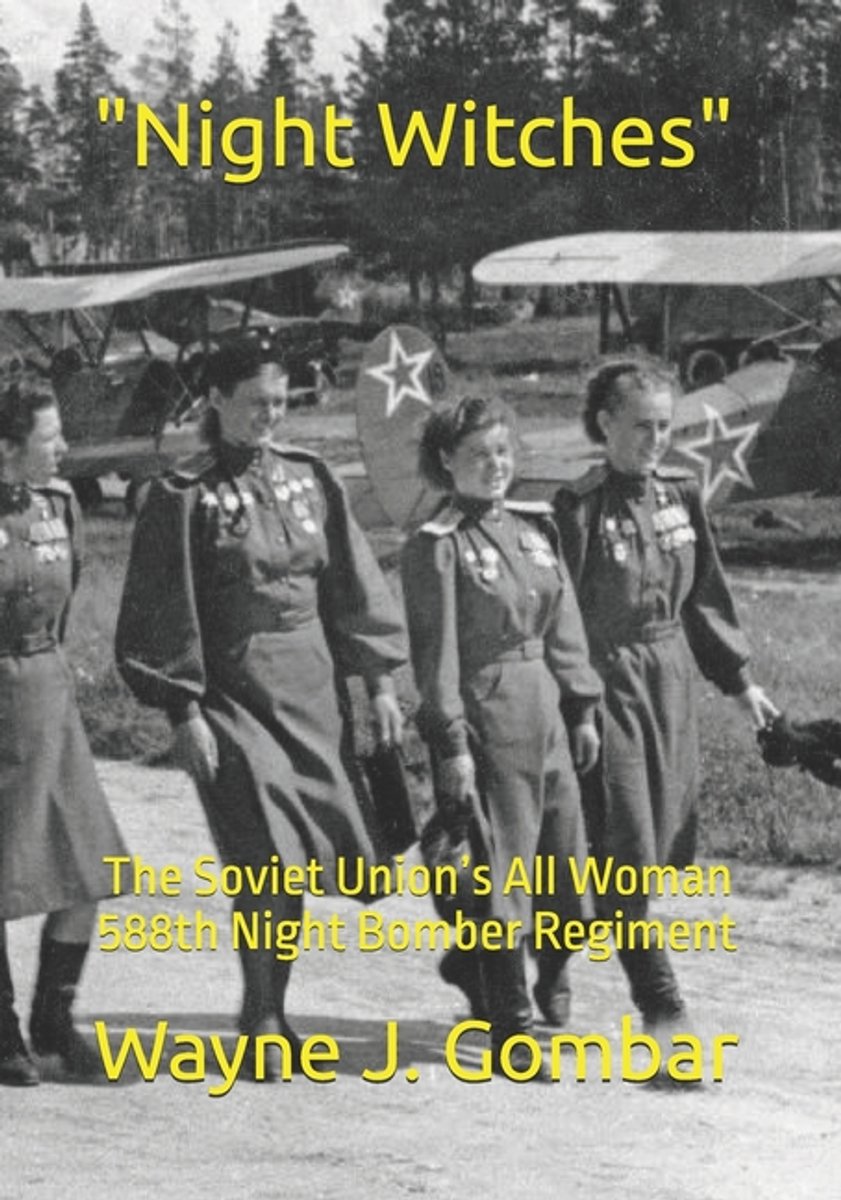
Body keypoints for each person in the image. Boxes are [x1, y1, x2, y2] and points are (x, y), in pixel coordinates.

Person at [115, 338, 406, 1075]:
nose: (269, 416)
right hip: (233, 694)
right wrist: (183, 713)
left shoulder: (311, 478)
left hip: (314, 690)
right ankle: (261, 1014)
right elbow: (161, 608)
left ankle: (273, 1005)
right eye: (254, 404)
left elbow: (353, 587)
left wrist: (377, 685)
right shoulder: (182, 494)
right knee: (262, 854)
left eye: (279, 402)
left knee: (295, 859)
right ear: (215, 400)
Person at [553, 358, 777, 1037]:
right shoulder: (578, 507)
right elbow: (558, 617)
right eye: (640, 426)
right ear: (604, 424)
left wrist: (739, 682)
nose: (655, 440)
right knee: (625, 841)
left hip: (668, 683)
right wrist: (577, 704)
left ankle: (525, 961)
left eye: (663, 426)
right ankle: (662, 1007)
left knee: (647, 842)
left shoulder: (680, 496)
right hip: (606, 684)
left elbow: (703, 598)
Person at [401, 396, 602, 1073]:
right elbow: (436, 659)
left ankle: (484, 966)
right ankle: (512, 1031)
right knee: (499, 876)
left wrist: (581, 709)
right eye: (477, 455)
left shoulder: (534, 529)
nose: (495, 466)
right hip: (486, 718)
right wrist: (451, 744)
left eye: (502, 452)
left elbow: (565, 626)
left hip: (544, 709)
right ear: (445, 461)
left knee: (565, 867)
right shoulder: (438, 545)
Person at [0, 373, 127, 1087]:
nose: (64, 448)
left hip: (49, 698)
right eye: (50, 438)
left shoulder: (60, 504)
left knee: (88, 867)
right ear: (6, 446)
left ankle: (55, 1018)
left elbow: (66, 597)